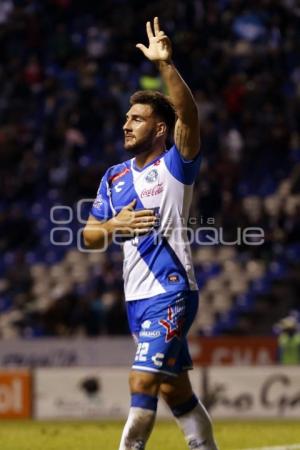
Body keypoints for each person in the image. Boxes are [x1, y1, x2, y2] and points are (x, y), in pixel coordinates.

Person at [83, 17, 219, 450]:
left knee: (142, 381)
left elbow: (189, 115)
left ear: (159, 129)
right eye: (126, 117)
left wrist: (165, 65)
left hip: (172, 290)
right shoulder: (113, 176)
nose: (126, 124)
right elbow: (88, 235)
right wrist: (112, 226)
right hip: (135, 297)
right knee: (174, 391)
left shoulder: (176, 165)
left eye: (137, 119)